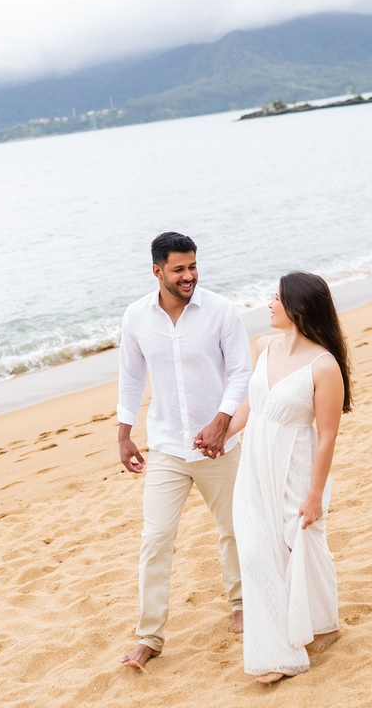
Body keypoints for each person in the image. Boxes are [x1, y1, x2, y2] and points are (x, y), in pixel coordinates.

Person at [117, 231, 253, 669]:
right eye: (178, 269)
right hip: (166, 448)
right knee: (155, 539)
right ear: (157, 271)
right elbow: (131, 376)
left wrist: (222, 421)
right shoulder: (136, 317)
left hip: (220, 447)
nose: (189, 275)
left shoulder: (221, 311)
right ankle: (149, 637)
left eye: (193, 266)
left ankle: (242, 603)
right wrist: (124, 433)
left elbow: (241, 372)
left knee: (234, 529)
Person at [217, 271, 351, 684]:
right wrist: (223, 434)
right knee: (256, 552)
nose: (269, 304)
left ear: (298, 308)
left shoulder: (324, 366)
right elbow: (255, 403)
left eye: (276, 298)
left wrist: (315, 495)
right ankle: (278, 652)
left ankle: (322, 625)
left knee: (301, 547)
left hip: (295, 466)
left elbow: (327, 436)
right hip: (255, 463)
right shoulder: (265, 346)